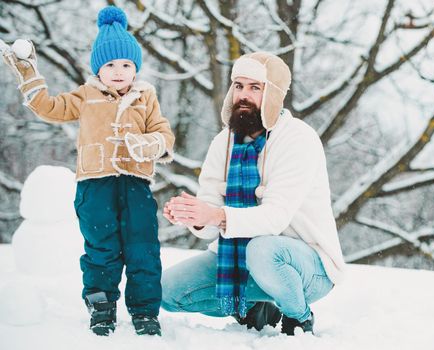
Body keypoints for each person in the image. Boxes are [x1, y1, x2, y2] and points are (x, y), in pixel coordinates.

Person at [1, 6, 175, 337]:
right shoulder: (86, 95)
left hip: (136, 184)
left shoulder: (146, 95)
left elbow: (164, 134)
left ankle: (145, 311)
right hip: (95, 186)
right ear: (98, 69)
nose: (119, 71)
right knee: (101, 248)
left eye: (126, 64)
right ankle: (101, 307)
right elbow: (49, 107)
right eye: (110, 64)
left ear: (135, 66)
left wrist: (149, 144)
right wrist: (30, 78)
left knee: (143, 248)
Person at [162, 52, 345, 335]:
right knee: (167, 292)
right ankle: (256, 305)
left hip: (306, 265)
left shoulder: (298, 138)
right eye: (238, 86)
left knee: (261, 249)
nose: (243, 95)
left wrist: (216, 215)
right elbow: (210, 222)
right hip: (241, 260)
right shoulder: (223, 143)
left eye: (254, 87)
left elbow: (275, 218)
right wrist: (194, 216)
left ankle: (298, 316)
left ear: (273, 94)